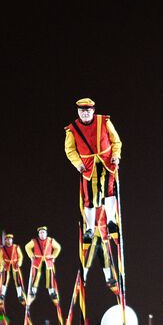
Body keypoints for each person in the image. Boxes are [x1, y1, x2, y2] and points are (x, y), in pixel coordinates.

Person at [64, 98, 123, 286]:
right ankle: (89, 228)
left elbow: (116, 140)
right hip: (88, 167)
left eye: (88, 111)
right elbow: (70, 150)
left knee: (109, 191)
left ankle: (112, 221)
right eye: (82, 111)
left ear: (93, 110)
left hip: (106, 162)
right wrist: (78, 164)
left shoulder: (104, 121)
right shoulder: (72, 130)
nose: (85, 113)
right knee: (89, 198)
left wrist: (116, 156)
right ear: (78, 112)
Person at [25, 226, 63, 300]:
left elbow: (58, 248)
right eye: (40, 233)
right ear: (38, 234)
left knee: (50, 277)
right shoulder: (34, 241)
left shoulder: (51, 240)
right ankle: (33, 291)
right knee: (36, 276)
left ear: (46, 233)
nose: (42, 234)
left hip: (47, 261)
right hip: (37, 261)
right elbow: (27, 247)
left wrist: (53, 256)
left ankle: (51, 292)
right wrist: (31, 256)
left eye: (43, 232)